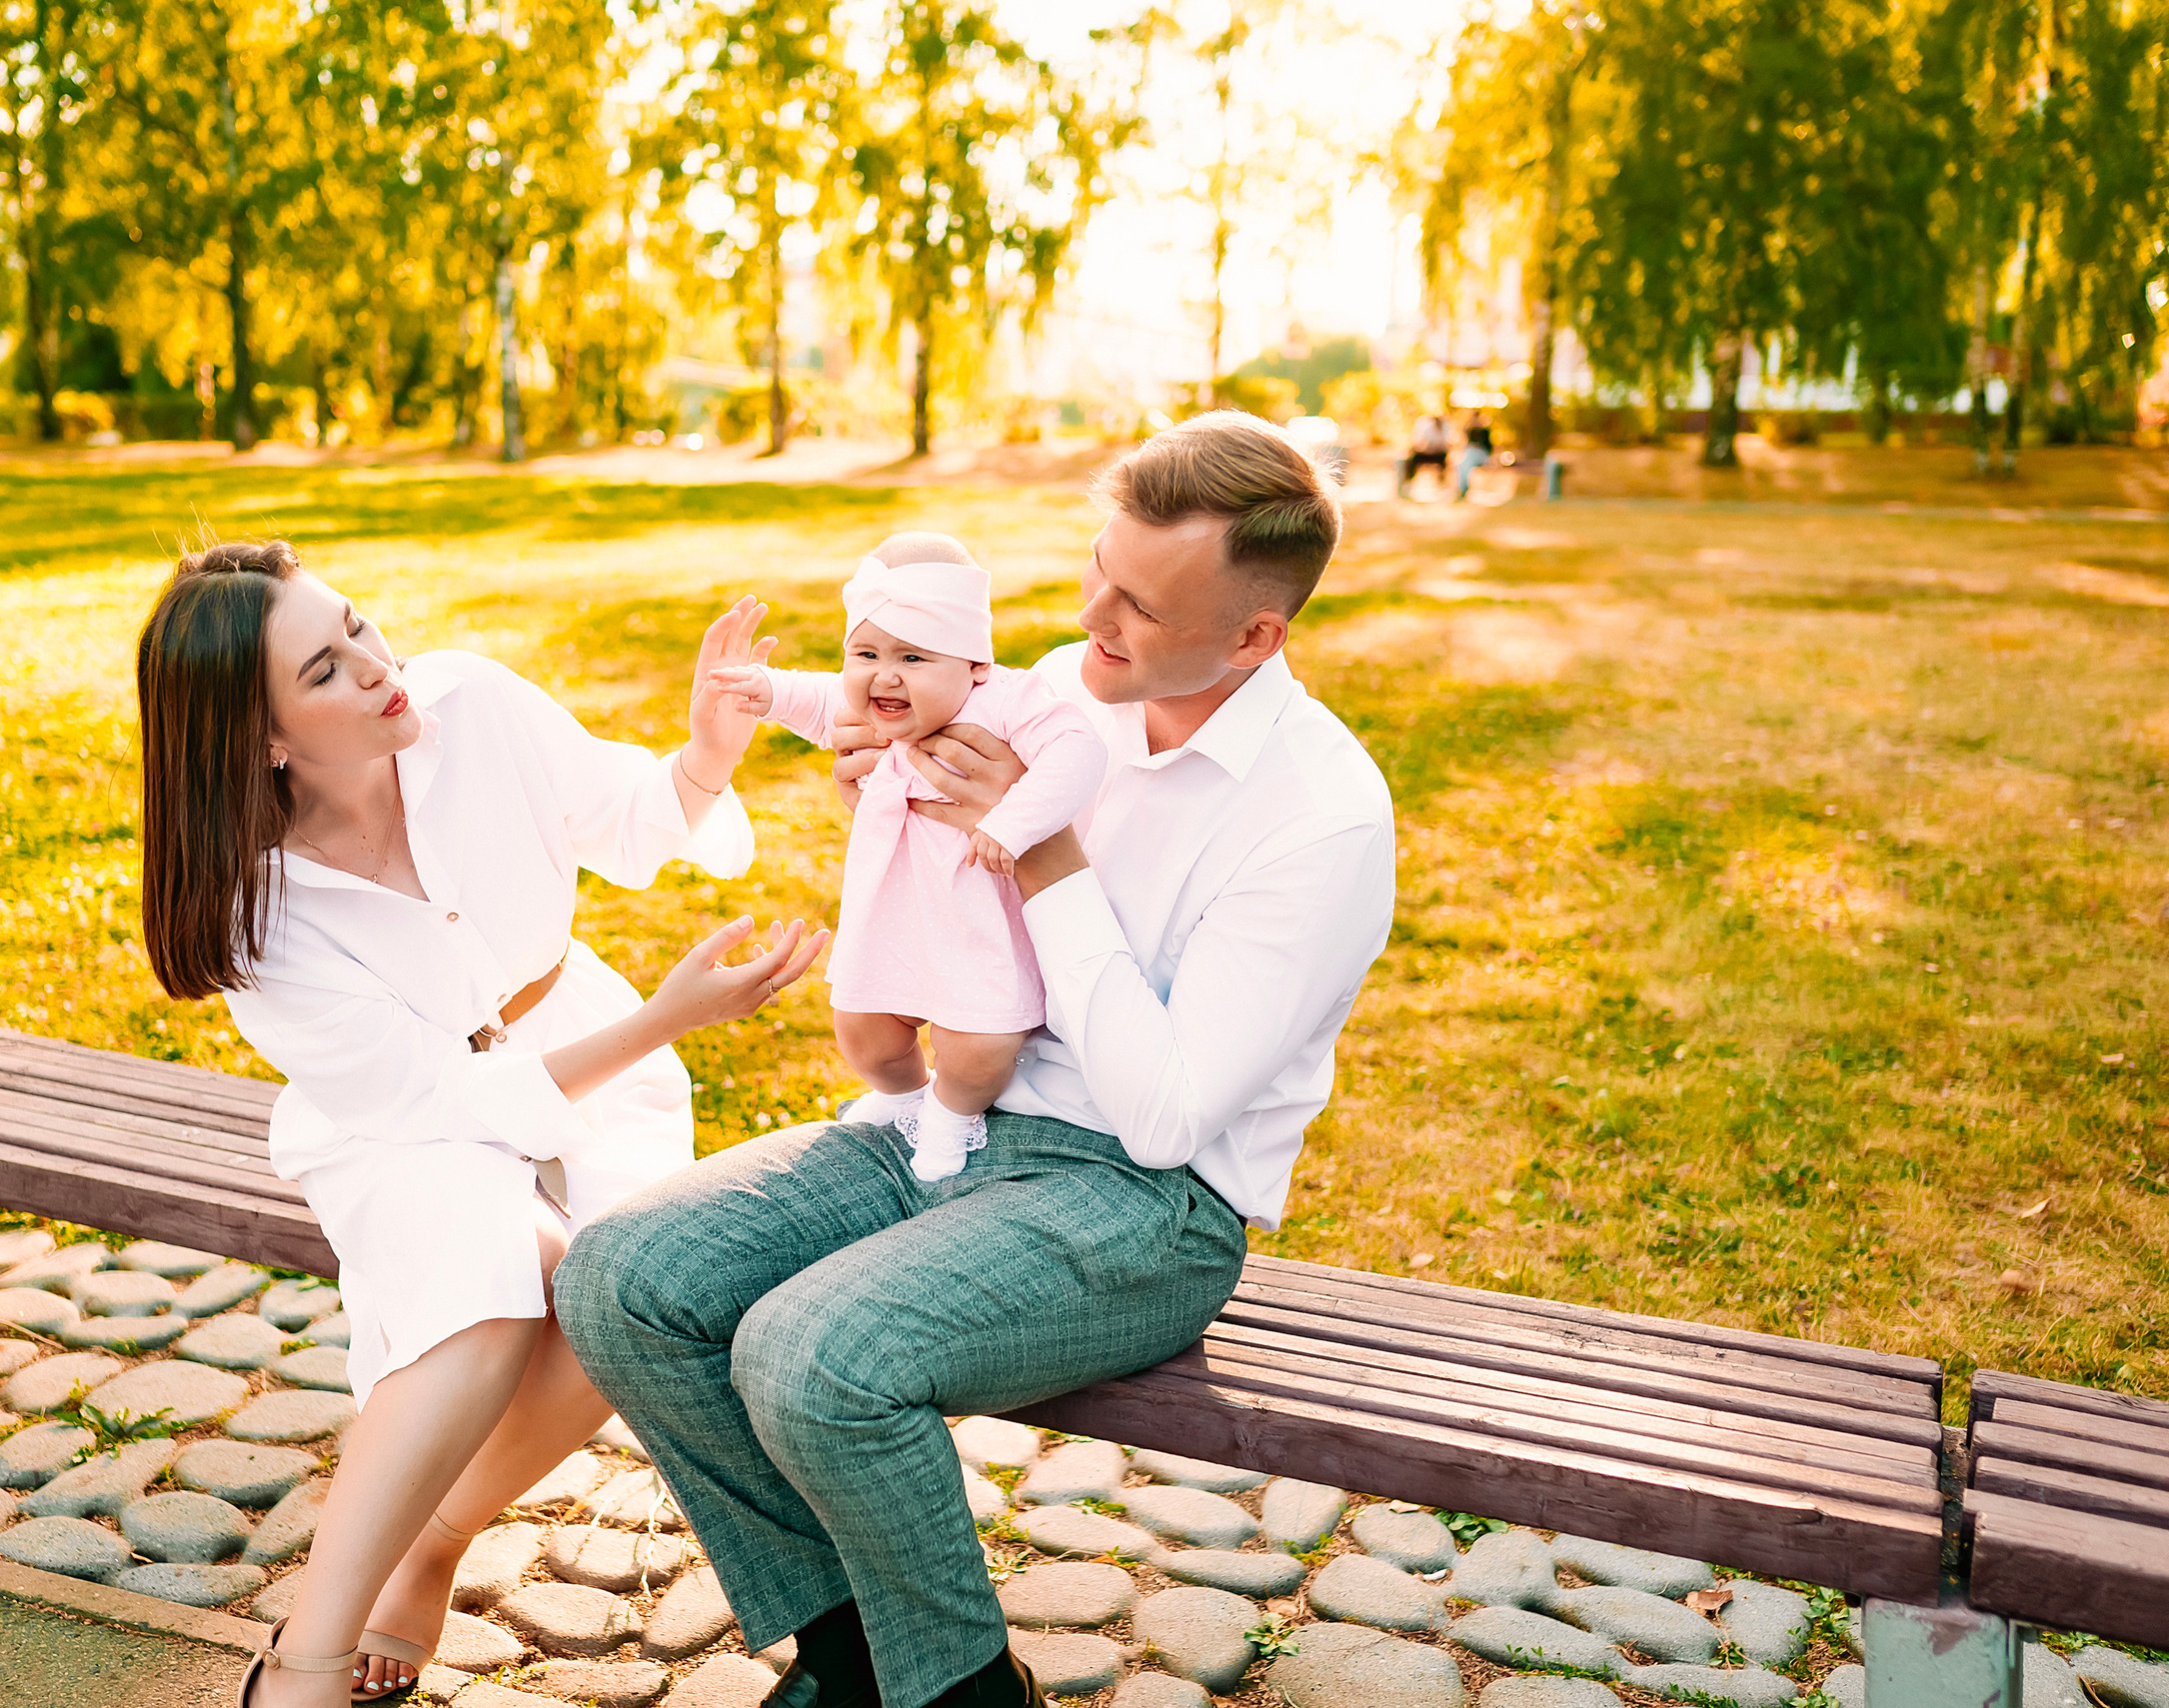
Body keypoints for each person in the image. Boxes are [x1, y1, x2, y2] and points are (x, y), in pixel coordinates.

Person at [555, 411, 1395, 1708]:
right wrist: (886, 805)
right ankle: (846, 1661)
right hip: (956, 1117)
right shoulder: (1063, 695)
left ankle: (958, 1696)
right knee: (626, 1275)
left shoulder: (1319, 816)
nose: (1096, 626)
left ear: (1253, 636)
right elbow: (924, 835)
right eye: (1097, 576)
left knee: (810, 1355)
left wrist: (1040, 855)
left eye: (1142, 608)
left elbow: (1166, 1115)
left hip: (1145, 1200)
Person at [133, 540, 828, 1708]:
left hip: (592, 1069)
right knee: (504, 1269)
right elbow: (430, 1105)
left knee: (626, 1286)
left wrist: (708, 748)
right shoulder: (252, 908)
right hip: (402, 1129)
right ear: (265, 739)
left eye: (357, 624)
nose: (375, 664)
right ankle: (304, 1659)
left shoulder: (475, 702)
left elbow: (632, 818)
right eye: (324, 669)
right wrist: (665, 1018)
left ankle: (432, 1538)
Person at [709, 530, 1106, 1180]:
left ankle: (952, 1114)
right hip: (892, 914)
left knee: (977, 1043)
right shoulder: (877, 705)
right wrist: (767, 688)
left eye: (914, 657)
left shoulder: (1005, 700)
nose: (884, 675)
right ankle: (904, 1099)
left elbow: (1078, 751)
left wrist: (1015, 820)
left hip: (977, 915)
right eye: (865, 651)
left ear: (973, 662)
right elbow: (818, 697)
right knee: (862, 1030)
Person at [1397, 410, 1449, 498]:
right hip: (1424, 453)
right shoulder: (1424, 425)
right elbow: (1418, 443)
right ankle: (1408, 485)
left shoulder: (1445, 426)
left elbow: (1446, 444)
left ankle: (1442, 486)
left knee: (1444, 460)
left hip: (1439, 454)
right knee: (1412, 460)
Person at [1453, 410, 1495, 500]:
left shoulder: (1485, 431)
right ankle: (1463, 487)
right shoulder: (1470, 430)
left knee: (1467, 461)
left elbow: (1489, 448)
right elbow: (1463, 437)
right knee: (1462, 466)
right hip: (1470, 454)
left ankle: (1463, 488)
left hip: (1481, 455)